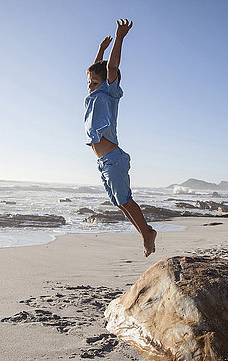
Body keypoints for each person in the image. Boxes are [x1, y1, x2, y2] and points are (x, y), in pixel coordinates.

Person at [84, 19, 157, 257]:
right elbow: (97, 69)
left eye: (94, 82)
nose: (90, 86)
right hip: (104, 162)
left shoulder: (109, 92)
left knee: (126, 200)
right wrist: (100, 51)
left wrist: (119, 37)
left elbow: (111, 68)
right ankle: (144, 232)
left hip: (113, 158)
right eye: (89, 83)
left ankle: (146, 233)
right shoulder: (95, 92)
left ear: (107, 81)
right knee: (120, 202)